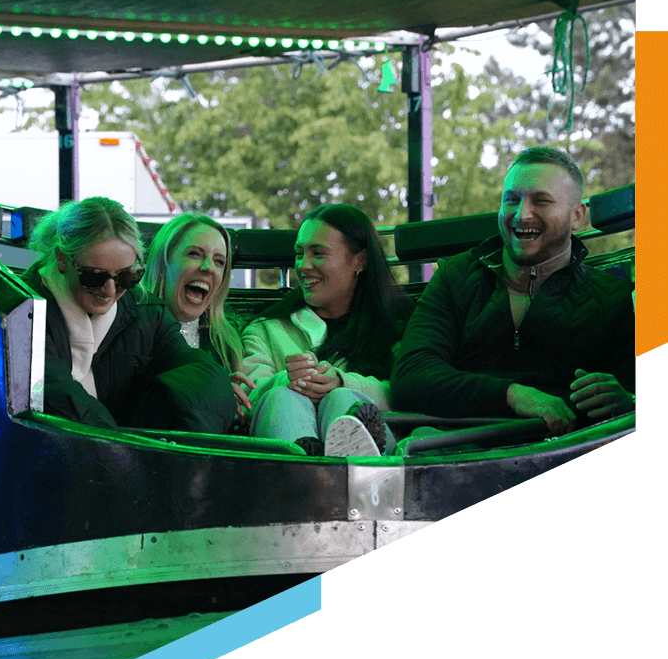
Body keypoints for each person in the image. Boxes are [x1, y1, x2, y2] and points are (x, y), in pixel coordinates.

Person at [391, 147, 635, 436]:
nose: (522, 214)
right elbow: (410, 376)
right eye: (512, 200)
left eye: (541, 201)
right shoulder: (456, 277)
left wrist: (626, 403)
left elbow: (627, 395)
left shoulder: (611, 297)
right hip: (455, 447)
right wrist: (513, 395)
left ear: (577, 216)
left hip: (565, 449)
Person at [22, 196, 237, 434]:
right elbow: (57, 396)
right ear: (62, 258)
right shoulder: (21, 312)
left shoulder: (147, 313)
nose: (110, 291)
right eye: (94, 276)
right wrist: (126, 456)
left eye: (126, 278)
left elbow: (204, 378)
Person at [242, 204, 413, 456]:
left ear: (360, 261)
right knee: (283, 397)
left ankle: (343, 477)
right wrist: (287, 380)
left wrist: (342, 383)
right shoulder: (265, 330)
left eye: (318, 253)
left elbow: (413, 390)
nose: (303, 265)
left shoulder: (401, 326)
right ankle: (312, 474)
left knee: (342, 400)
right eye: (299, 253)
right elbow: (244, 400)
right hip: (282, 452)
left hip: (385, 459)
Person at [142, 212, 255, 420]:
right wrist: (208, 389)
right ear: (163, 261)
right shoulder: (131, 327)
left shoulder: (226, 342)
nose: (208, 268)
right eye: (194, 254)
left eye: (219, 261)